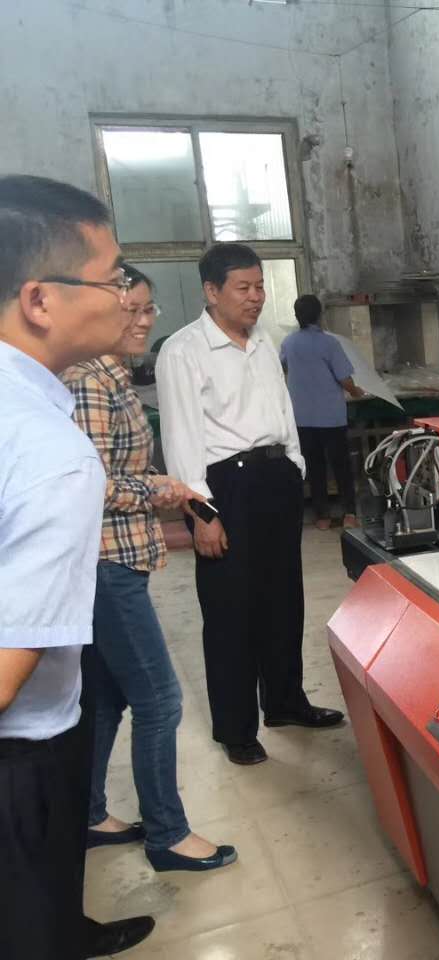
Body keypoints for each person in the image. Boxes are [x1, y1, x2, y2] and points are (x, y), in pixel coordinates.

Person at [0, 175, 154, 958]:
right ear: (39, 300)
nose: (128, 299)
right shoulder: (52, 454)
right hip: (21, 753)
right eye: (113, 278)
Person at [62, 265, 237, 873]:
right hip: (107, 562)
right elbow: (90, 483)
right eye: (128, 311)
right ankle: (167, 834)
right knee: (160, 699)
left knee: (106, 695)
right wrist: (161, 488)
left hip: (117, 557)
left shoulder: (113, 376)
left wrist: (153, 484)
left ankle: (88, 814)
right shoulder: (90, 381)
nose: (142, 322)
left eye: (147, 309)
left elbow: (109, 469)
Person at [156, 243, 344, 767]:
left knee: (283, 599)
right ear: (211, 291)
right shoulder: (184, 351)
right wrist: (202, 514)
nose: (256, 297)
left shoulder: (265, 341)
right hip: (226, 487)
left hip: (275, 479)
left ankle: (285, 702)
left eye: (259, 286)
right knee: (230, 612)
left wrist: (296, 466)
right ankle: (236, 728)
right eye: (243, 287)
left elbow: (283, 409)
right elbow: (181, 439)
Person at [279, 293, 366, 530]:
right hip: (331, 418)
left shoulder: (289, 343)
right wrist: (356, 391)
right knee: (341, 466)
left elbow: (281, 367)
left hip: (303, 417)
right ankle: (349, 514)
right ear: (319, 315)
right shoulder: (329, 343)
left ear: (297, 316)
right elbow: (344, 378)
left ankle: (322, 517)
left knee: (314, 467)